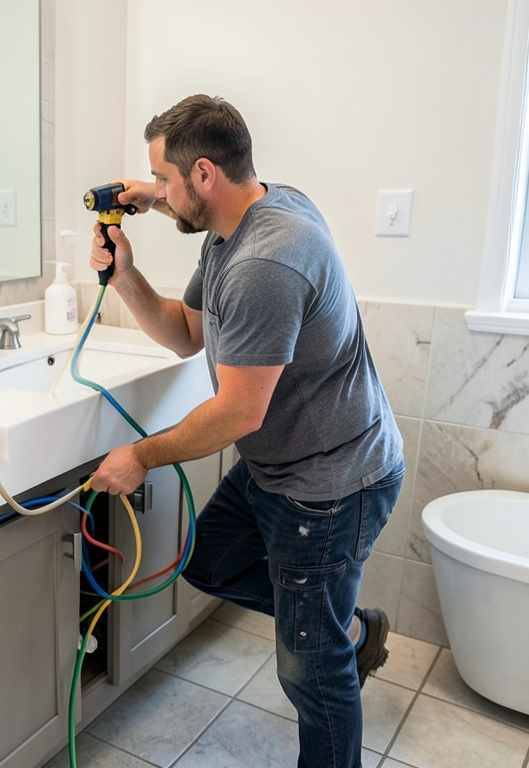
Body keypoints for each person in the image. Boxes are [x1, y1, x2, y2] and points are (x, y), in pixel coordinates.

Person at [88, 94, 404, 768]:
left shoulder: (266, 261)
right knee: (208, 562)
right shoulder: (249, 215)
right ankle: (343, 626)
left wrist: (142, 456)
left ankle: (327, 639)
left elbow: (239, 413)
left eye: (166, 180)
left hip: (331, 485)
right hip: (284, 469)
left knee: (310, 674)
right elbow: (184, 336)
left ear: (205, 174)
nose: (159, 195)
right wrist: (127, 270)